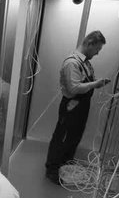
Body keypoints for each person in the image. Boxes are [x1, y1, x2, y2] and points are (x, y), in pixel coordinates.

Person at [44, 30, 110, 184]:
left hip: (81, 106)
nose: (98, 53)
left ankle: (66, 164)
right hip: (71, 106)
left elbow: (83, 83)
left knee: (74, 136)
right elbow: (73, 88)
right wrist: (95, 84)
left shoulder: (85, 63)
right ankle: (53, 170)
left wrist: (95, 84)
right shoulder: (72, 63)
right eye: (97, 49)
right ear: (89, 43)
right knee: (62, 137)